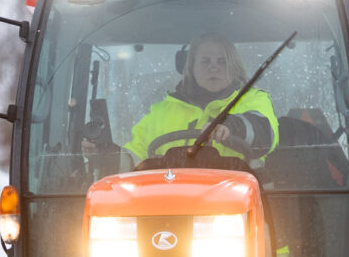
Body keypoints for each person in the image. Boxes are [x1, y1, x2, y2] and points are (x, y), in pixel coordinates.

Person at [86, 34, 279, 169]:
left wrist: (230, 127)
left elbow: (264, 133)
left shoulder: (254, 99)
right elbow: (134, 160)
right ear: (191, 67)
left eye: (222, 61)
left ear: (233, 66)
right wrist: (104, 154)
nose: (214, 68)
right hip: (168, 206)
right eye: (205, 61)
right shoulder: (161, 112)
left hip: (240, 207)